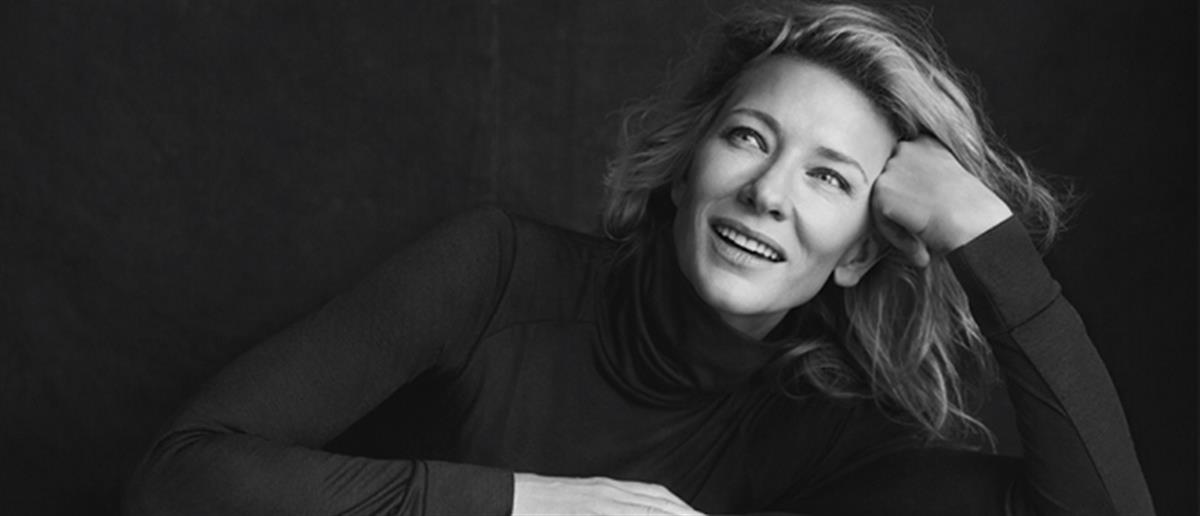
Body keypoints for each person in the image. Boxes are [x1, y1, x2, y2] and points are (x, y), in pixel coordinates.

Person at [123, 2, 1155, 515]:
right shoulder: (497, 273)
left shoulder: (837, 438)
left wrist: (985, 238)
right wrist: (534, 505)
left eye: (830, 178)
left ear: (857, 255)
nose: (769, 191)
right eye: (749, 137)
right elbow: (176, 476)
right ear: (683, 167)